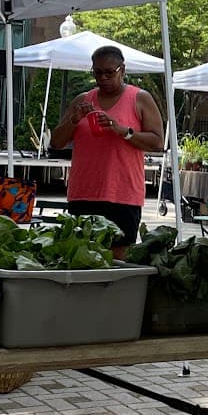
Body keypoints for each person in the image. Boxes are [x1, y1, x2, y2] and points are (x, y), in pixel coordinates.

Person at [50, 45, 165, 257]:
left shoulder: (139, 98)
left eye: (109, 72)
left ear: (122, 70)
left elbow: (158, 142)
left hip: (122, 194)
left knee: (116, 261)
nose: (103, 78)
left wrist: (122, 131)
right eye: (97, 72)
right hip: (83, 193)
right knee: (80, 258)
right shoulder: (82, 100)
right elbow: (56, 143)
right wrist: (74, 120)